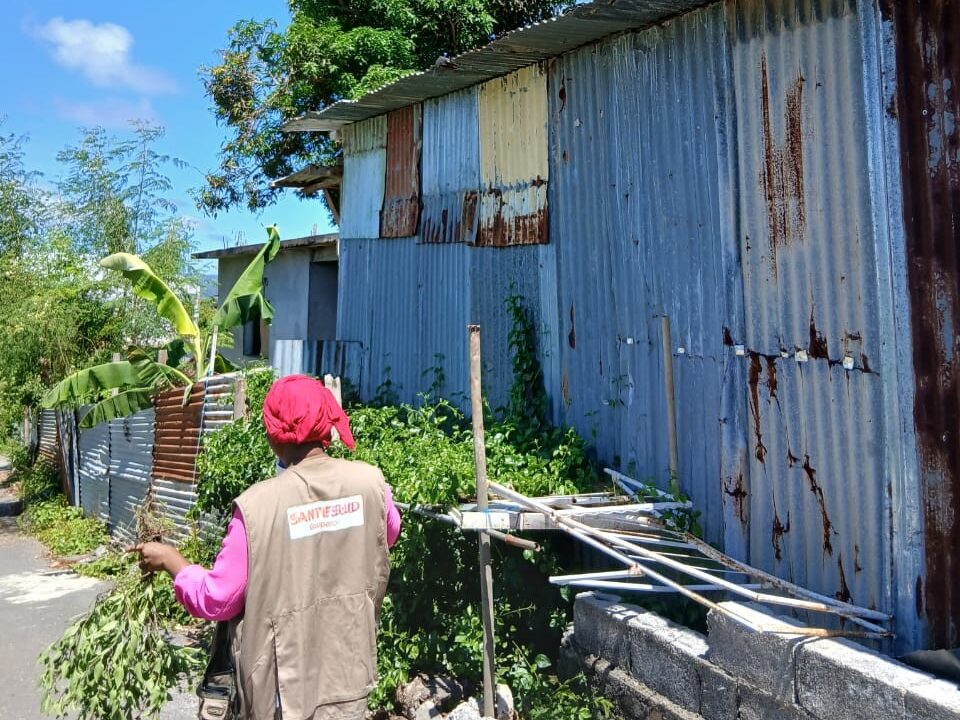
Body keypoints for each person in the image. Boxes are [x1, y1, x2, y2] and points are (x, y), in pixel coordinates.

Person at [132, 374, 402, 719]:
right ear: (328, 424)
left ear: (273, 435)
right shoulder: (370, 483)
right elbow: (387, 533)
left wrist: (173, 562)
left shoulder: (258, 506)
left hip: (284, 693)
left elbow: (219, 598)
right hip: (349, 676)